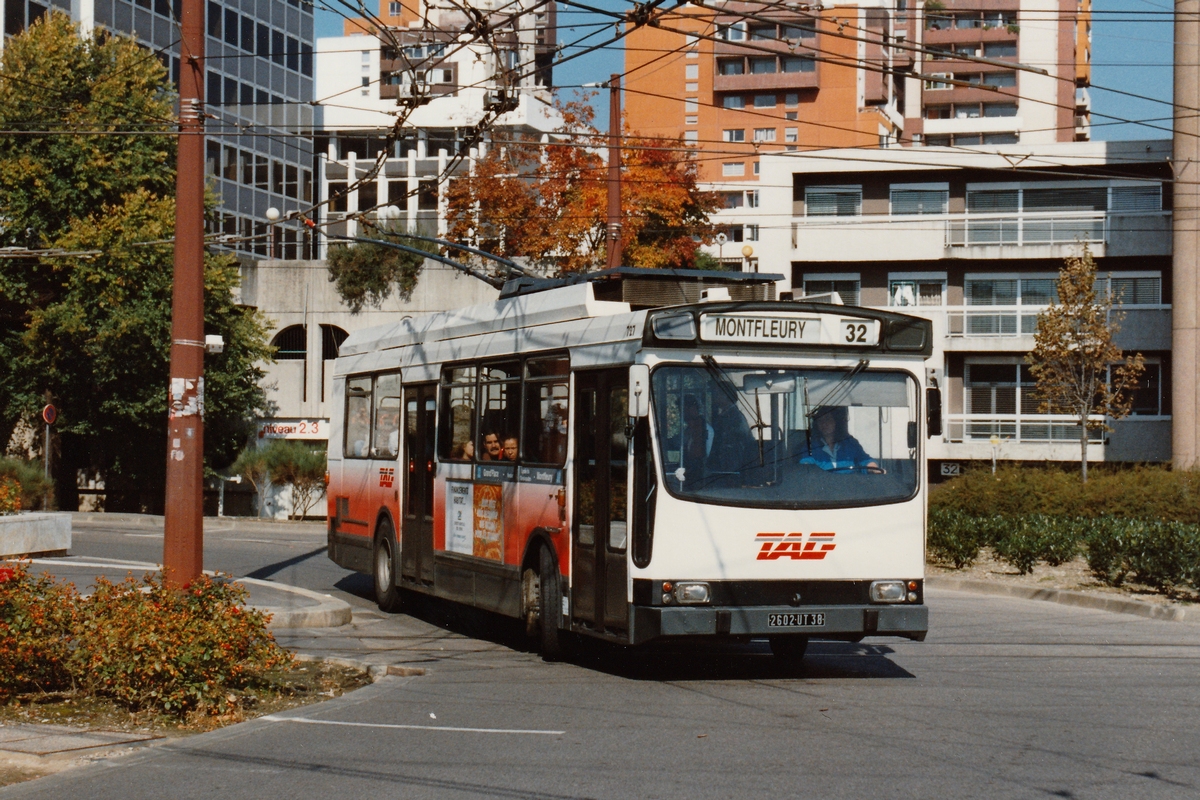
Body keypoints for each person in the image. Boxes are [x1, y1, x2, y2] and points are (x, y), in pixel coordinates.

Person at [797, 406, 882, 473]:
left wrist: (873, 467)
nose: (824, 424)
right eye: (820, 420)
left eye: (828, 419)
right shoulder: (810, 446)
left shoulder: (850, 443)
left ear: (836, 422)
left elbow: (864, 460)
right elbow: (806, 468)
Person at [709, 388, 759, 470]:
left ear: (727, 396)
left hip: (733, 465)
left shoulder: (735, 416)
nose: (715, 397)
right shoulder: (724, 415)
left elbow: (737, 442)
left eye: (718, 394)